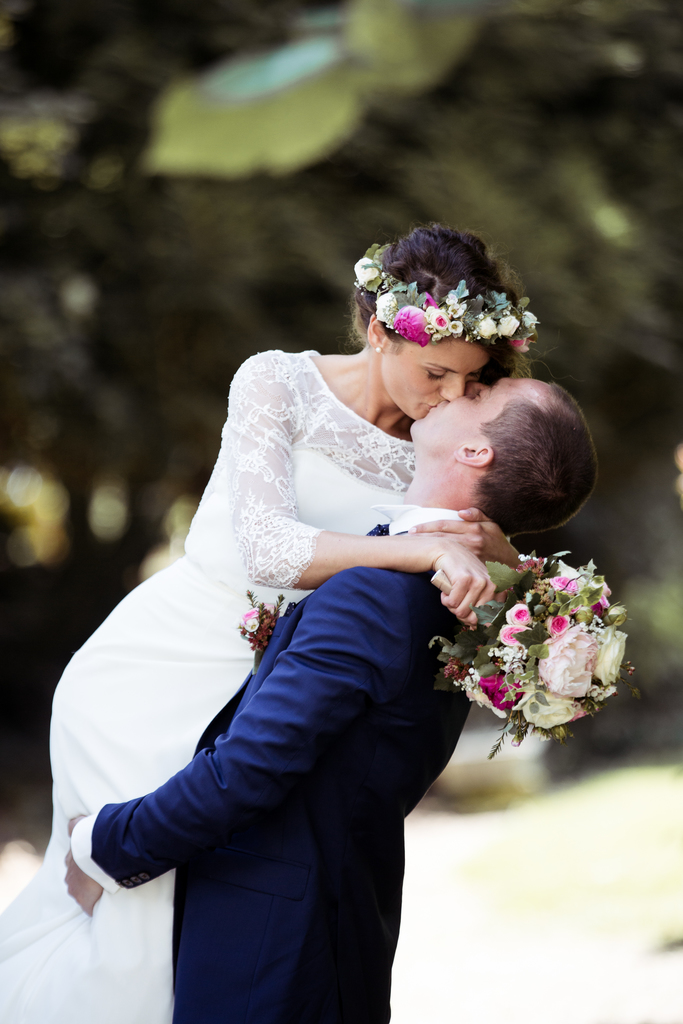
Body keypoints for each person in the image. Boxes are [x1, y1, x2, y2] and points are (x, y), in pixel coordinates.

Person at [0, 225, 530, 1024]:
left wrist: (503, 559)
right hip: (157, 672)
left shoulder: (435, 449)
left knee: (195, 924)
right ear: (380, 331)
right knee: (135, 929)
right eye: (436, 373)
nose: (453, 397)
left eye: (473, 379)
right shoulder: (279, 383)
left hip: (265, 698)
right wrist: (416, 548)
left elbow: (485, 574)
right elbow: (269, 547)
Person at [65, 374, 597, 1024]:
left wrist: (101, 844)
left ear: (475, 453)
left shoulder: (376, 595)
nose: (458, 388)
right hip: (337, 929)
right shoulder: (464, 608)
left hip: (270, 951)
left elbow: (246, 771)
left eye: (479, 393)